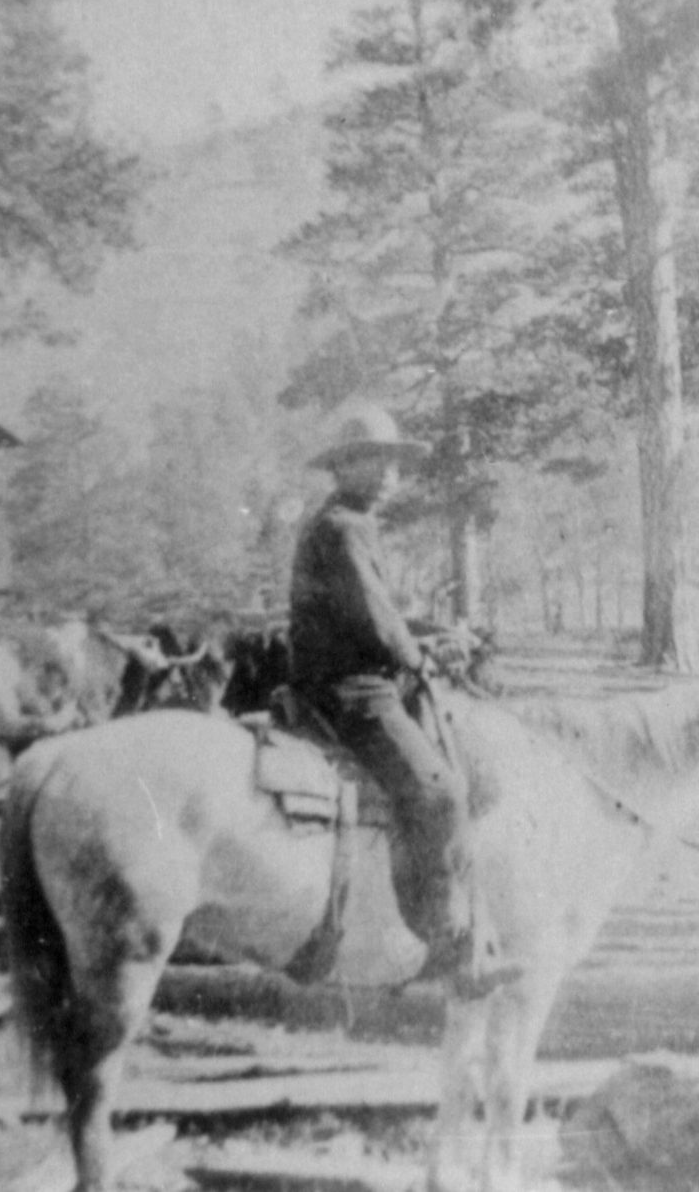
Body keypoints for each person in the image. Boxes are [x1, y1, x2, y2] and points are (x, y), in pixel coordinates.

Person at [287, 405, 510, 993]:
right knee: (441, 791)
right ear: (342, 468)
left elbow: (380, 610)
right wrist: (421, 656)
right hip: (353, 692)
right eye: (373, 462)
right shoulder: (343, 528)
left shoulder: (344, 523)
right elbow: (378, 625)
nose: (389, 475)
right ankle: (445, 938)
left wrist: (432, 634)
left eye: (394, 464)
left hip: (355, 680)